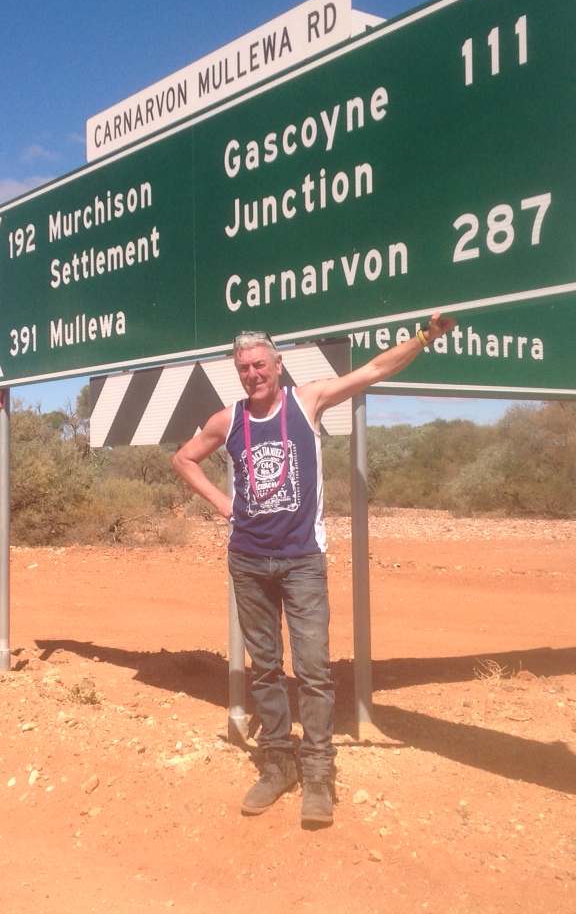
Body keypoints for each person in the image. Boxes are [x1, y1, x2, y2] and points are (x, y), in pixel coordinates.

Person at [172, 313, 457, 825]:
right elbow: (184, 459)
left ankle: (319, 772)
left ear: (278, 365)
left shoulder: (307, 402)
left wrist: (423, 337)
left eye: (260, 365)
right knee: (264, 668)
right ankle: (277, 764)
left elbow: (373, 371)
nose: (253, 374)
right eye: (244, 368)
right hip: (248, 560)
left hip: (302, 559)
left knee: (314, 671)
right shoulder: (228, 419)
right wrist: (222, 503)